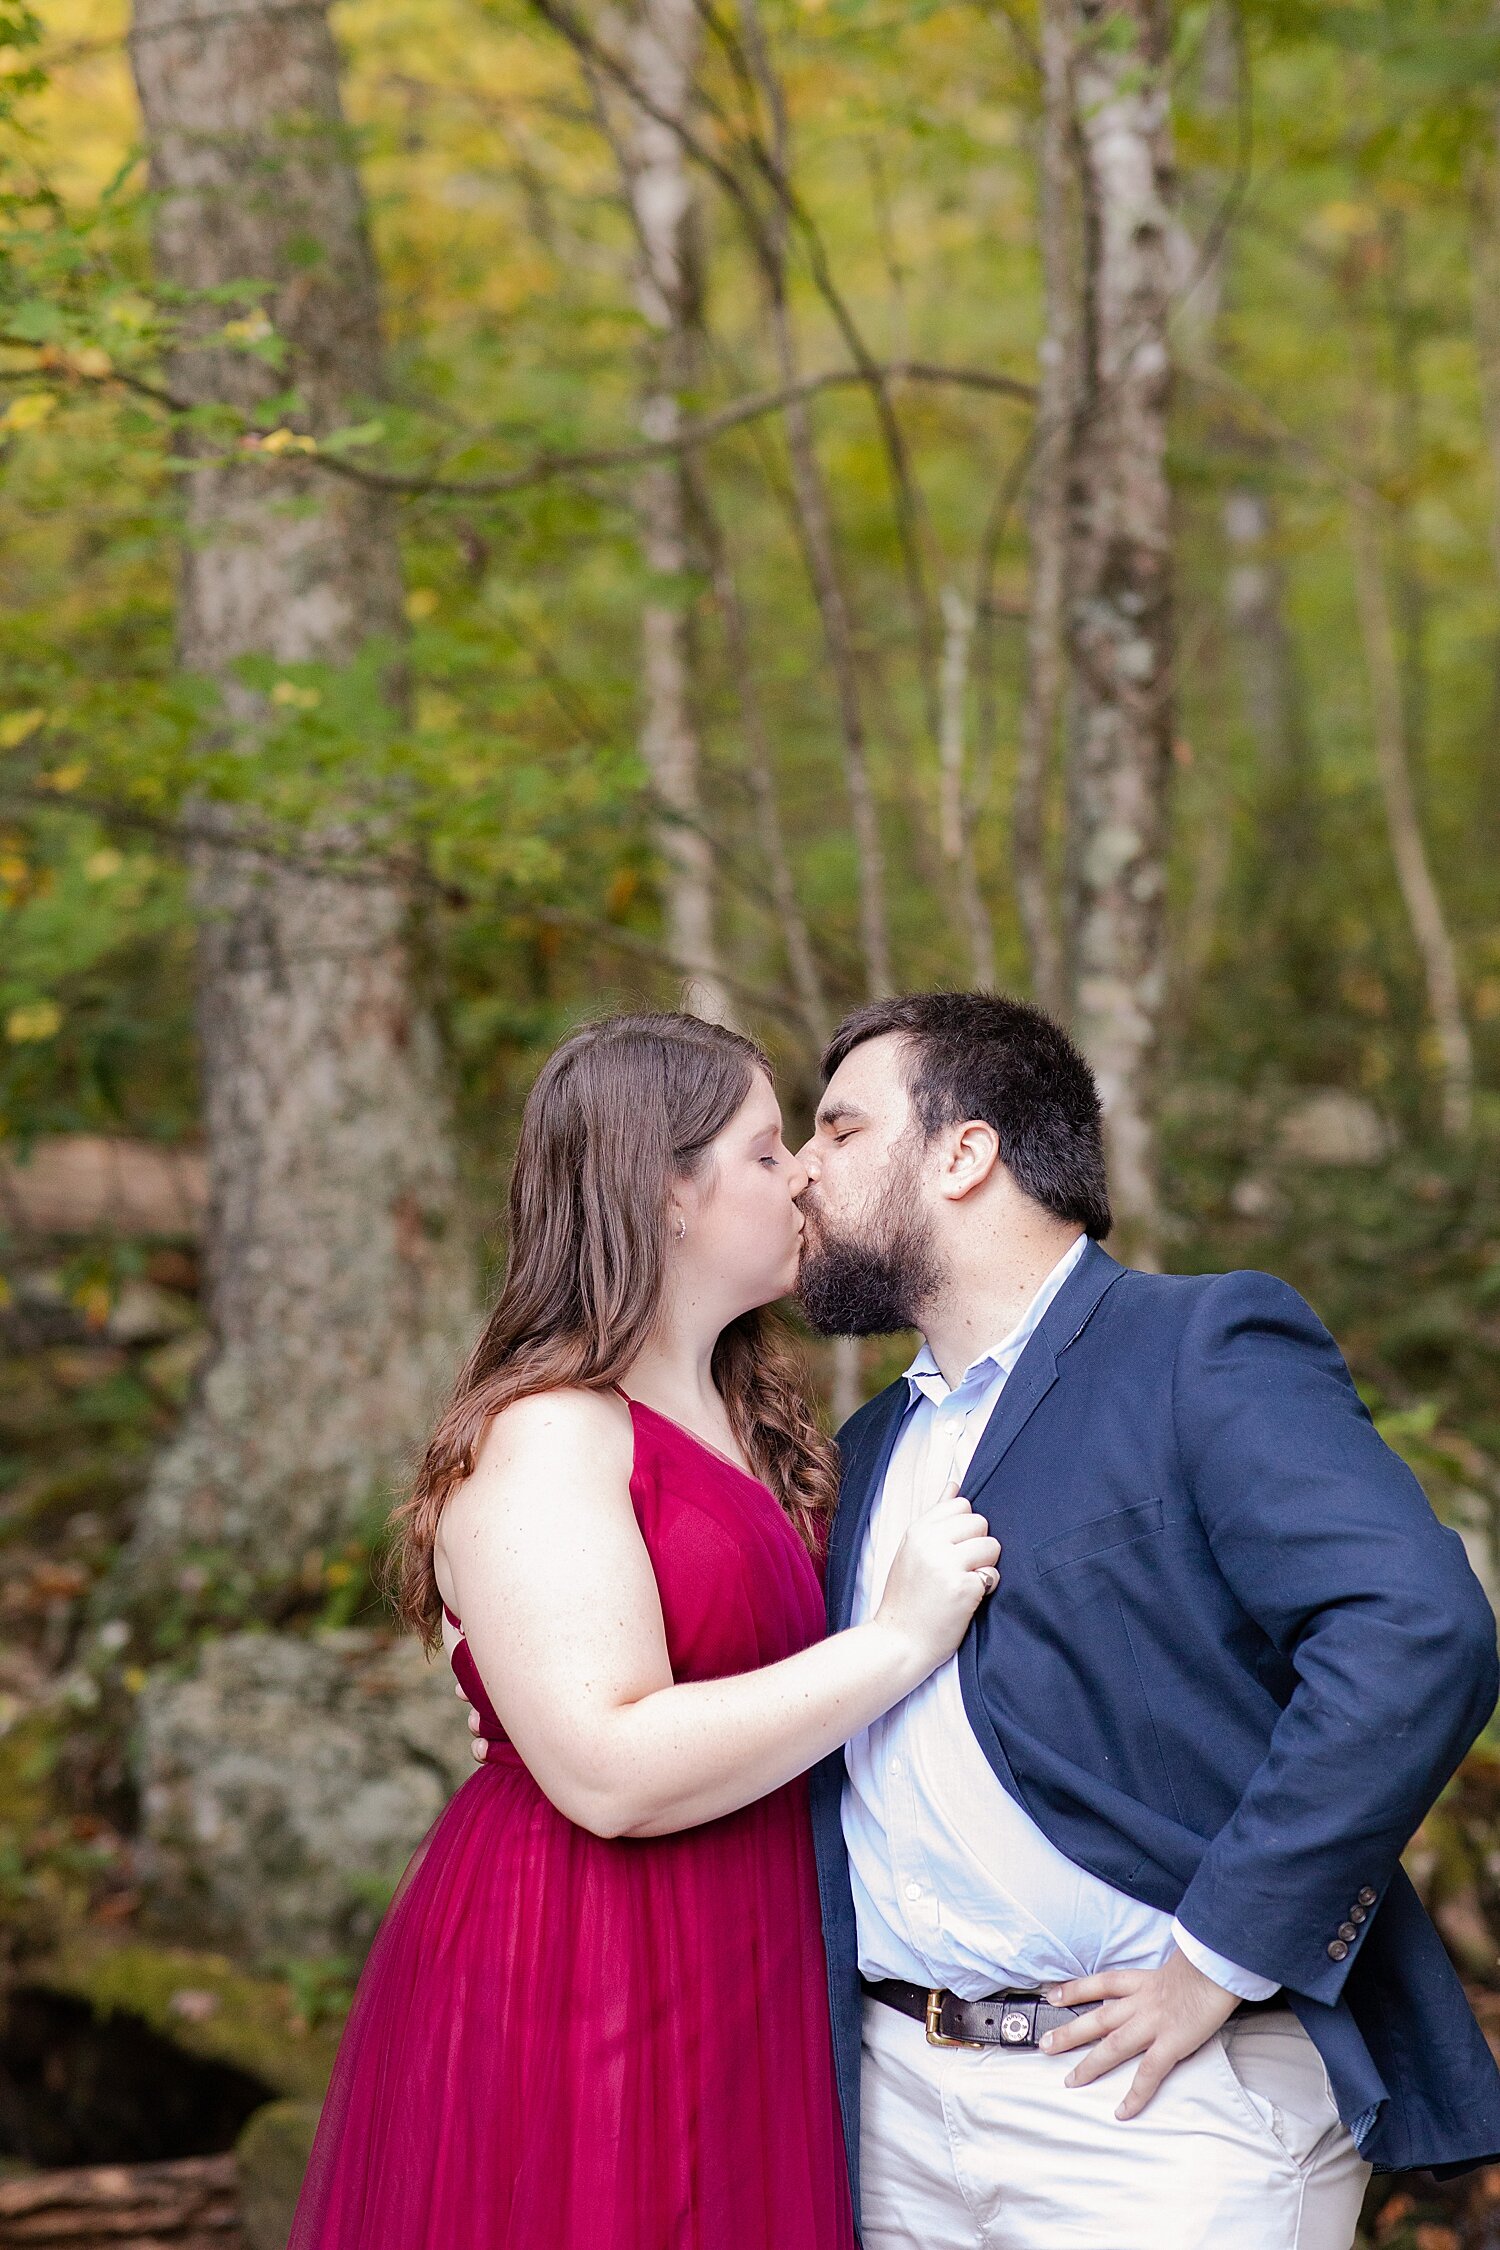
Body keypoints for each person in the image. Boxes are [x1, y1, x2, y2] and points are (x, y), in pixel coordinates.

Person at [794, 990, 1500, 2250]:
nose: (801, 1168)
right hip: (890, 2105)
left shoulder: (1197, 1348)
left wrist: (1221, 1956)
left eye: (839, 1130)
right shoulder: (866, 1447)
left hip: (1158, 2111)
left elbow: (1416, 1633)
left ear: (966, 1153)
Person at [286, 1010, 999, 2250]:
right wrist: (896, 1642)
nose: (806, 1177)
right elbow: (609, 1771)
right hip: (591, 1956)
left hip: (753, 1949)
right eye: (768, 1152)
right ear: (665, 1191)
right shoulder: (551, 1429)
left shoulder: (757, 1421)